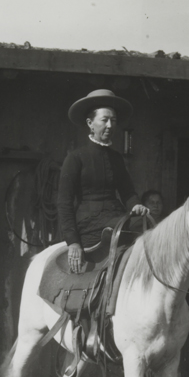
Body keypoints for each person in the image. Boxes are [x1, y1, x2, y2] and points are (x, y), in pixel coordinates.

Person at [57, 89, 149, 274]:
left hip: (116, 217)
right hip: (90, 224)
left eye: (113, 121)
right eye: (104, 120)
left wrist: (137, 205)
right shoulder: (76, 158)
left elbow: (128, 192)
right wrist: (73, 242)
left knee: (149, 223)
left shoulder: (116, 158)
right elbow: (64, 202)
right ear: (90, 124)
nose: (109, 125)